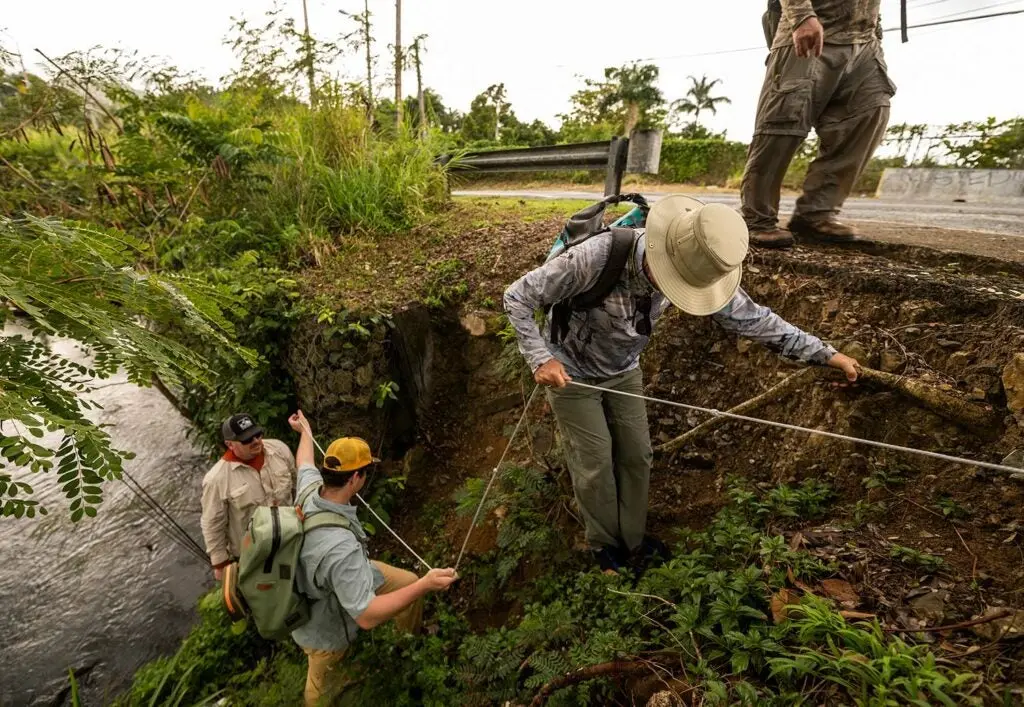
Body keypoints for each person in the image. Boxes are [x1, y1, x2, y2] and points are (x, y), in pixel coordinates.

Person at [504, 195, 858, 573]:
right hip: (571, 371)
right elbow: (518, 296)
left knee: (637, 455)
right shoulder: (595, 257)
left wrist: (825, 354)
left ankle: (634, 540)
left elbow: (754, 319)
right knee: (595, 462)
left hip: (624, 368)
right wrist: (542, 358)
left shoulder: (701, 267)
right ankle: (604, 547)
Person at [286, 410, 458, 706]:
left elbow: (303, 462)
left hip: (343, 574)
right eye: (366, 471)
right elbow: (365, 616)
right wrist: (426, 585)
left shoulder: (310, 490)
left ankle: (408, 644)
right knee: (320, 688)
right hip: (322, 624)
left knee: (406, 581)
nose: (367, 476)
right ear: (355, 478)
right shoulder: (341, 549)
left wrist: (306, 433)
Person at [741, 0, 895, 248]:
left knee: (871, 111)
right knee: (782, 123)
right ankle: (757, 220)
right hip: (808, 28)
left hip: (865, 38)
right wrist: (801, 15)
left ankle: (815, 215)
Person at [200, 413, 296, 580]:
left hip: (292, 541)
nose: (255, 441)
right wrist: (221, 565)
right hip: (255, 558)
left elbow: (297, 485)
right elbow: (212, 524)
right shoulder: (216, 480)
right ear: (229, 444)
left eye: (257, 434)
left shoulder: (279, 449)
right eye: (246, 439)